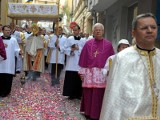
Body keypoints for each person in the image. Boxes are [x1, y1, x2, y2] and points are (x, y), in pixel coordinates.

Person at [100, 13, 160, 120]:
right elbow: (113, 98)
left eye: (153, 27)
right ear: (134, 33)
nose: (150, 30)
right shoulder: (122, 58)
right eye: (144, 28)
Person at [78, 23, 114, 120]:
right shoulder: (88, 44)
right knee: (88, 93)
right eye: (96, 30)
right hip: (89, 73)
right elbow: (83, 59)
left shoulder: (108, 45)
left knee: (99, 94)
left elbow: (112, 60)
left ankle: (97, 114)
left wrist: (110, 72)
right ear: (93, 32)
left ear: (103, 31)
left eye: (100, 30)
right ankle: (88, 113)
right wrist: (82, 72)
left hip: (101, 74)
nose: (98, 31)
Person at [63, 24, 86, 99]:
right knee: (71, 78)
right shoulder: (69, 39)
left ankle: (79, 94)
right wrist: (71, 50)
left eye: (76, 30)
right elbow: (64, 48)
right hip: (71, 61)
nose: (74, 31)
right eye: (73, 30)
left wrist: (78, 48)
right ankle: (70, 94)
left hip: (79, 61)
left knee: (78, 79)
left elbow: (85, 50)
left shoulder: (83, 40)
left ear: (79, 30)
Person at [0, 25, 21, 97]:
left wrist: (19, 52)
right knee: (1, 77)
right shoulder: (0, 39)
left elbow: (16, 49)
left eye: (9, 30)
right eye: (6, 30)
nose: (8, 31)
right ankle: (1, 91)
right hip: (1, 61)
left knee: (8, 78)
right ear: (3, 31)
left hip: (10, 61)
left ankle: (7, 91)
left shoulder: (13, 40)